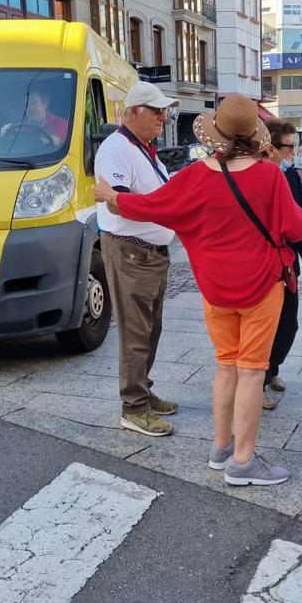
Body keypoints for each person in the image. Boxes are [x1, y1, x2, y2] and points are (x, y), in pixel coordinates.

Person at [94, 95, 302, 487]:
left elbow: (149, 205)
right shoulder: (270, 175)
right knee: (252, 373)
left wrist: (113, 198)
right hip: (261, 287)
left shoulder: (195, 175)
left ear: (216, 132)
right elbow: (297, 229)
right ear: (255, 134)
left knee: (225, 366)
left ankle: (221, 448)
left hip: (216, 290)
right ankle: (244, 462)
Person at [93, 82, 181, 437]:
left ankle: (142, 390)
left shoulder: (143, 148)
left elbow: (154, 193)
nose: (163, 116)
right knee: (136, 332)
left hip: (148, 251)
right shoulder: (117, 148)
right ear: (132, 113)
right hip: (131, 251)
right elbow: (118, 199)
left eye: (165, 111)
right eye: (156, 110)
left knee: (150, 328)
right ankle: (134, 407)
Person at [262, 120, 302, 410]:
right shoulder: (259, 176)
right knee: (264, 326)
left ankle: (272, 368)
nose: (294, 152)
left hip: (288, 262)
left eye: (295, 145)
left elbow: (300, 215)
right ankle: (257, 381)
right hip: (265, 263)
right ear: (270, 148)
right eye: (289, 146)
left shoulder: (290, 175)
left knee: (288, 324)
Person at [1, 83, 69, 145]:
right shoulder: (18, 127)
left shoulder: (61, 124)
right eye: (27, 104)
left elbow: (54, 142)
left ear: (45, 103)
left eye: (34, 103)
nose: (30, 108)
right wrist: (5, 134)